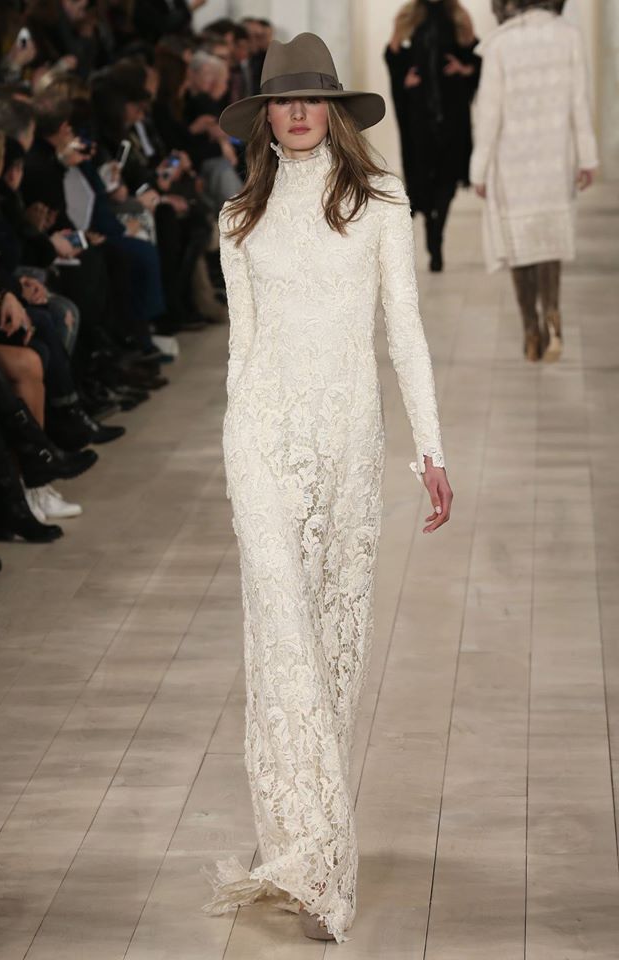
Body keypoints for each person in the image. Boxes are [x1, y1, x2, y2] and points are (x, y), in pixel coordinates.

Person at [201, 32, 452, 943]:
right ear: (265, 116)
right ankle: (320, 866)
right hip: (262, 445)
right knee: (283, 643)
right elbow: (241, 349)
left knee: (331, 653)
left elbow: (404, 332)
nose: (299, 112)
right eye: (284, 100)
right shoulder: (238, 217)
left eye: (313, 99)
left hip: (347, 448)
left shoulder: (379, 202)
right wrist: (237, 447)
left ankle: (297, 840)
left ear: (336, 112)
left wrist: (431, 449)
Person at [471, 0, 597, 361]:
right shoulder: (569, 36)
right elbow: (580, 103)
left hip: (513, 166)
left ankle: (530, 329)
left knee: (520, 246)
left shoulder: (500, 44)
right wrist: (587, 158)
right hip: (554, 162)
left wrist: (479, 169)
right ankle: (553, 315)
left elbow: (489, 114)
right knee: (549, 244)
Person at [385, 0, 479, 271]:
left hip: (452, 113)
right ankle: (430, 228)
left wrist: (464, 70)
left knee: (448, 178)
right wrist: (404, 80)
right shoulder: (408, 16)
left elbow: (476, 57)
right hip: (420, 115)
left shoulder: (459, 16)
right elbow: (393, 56)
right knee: (423, 179)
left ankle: (437, 235)